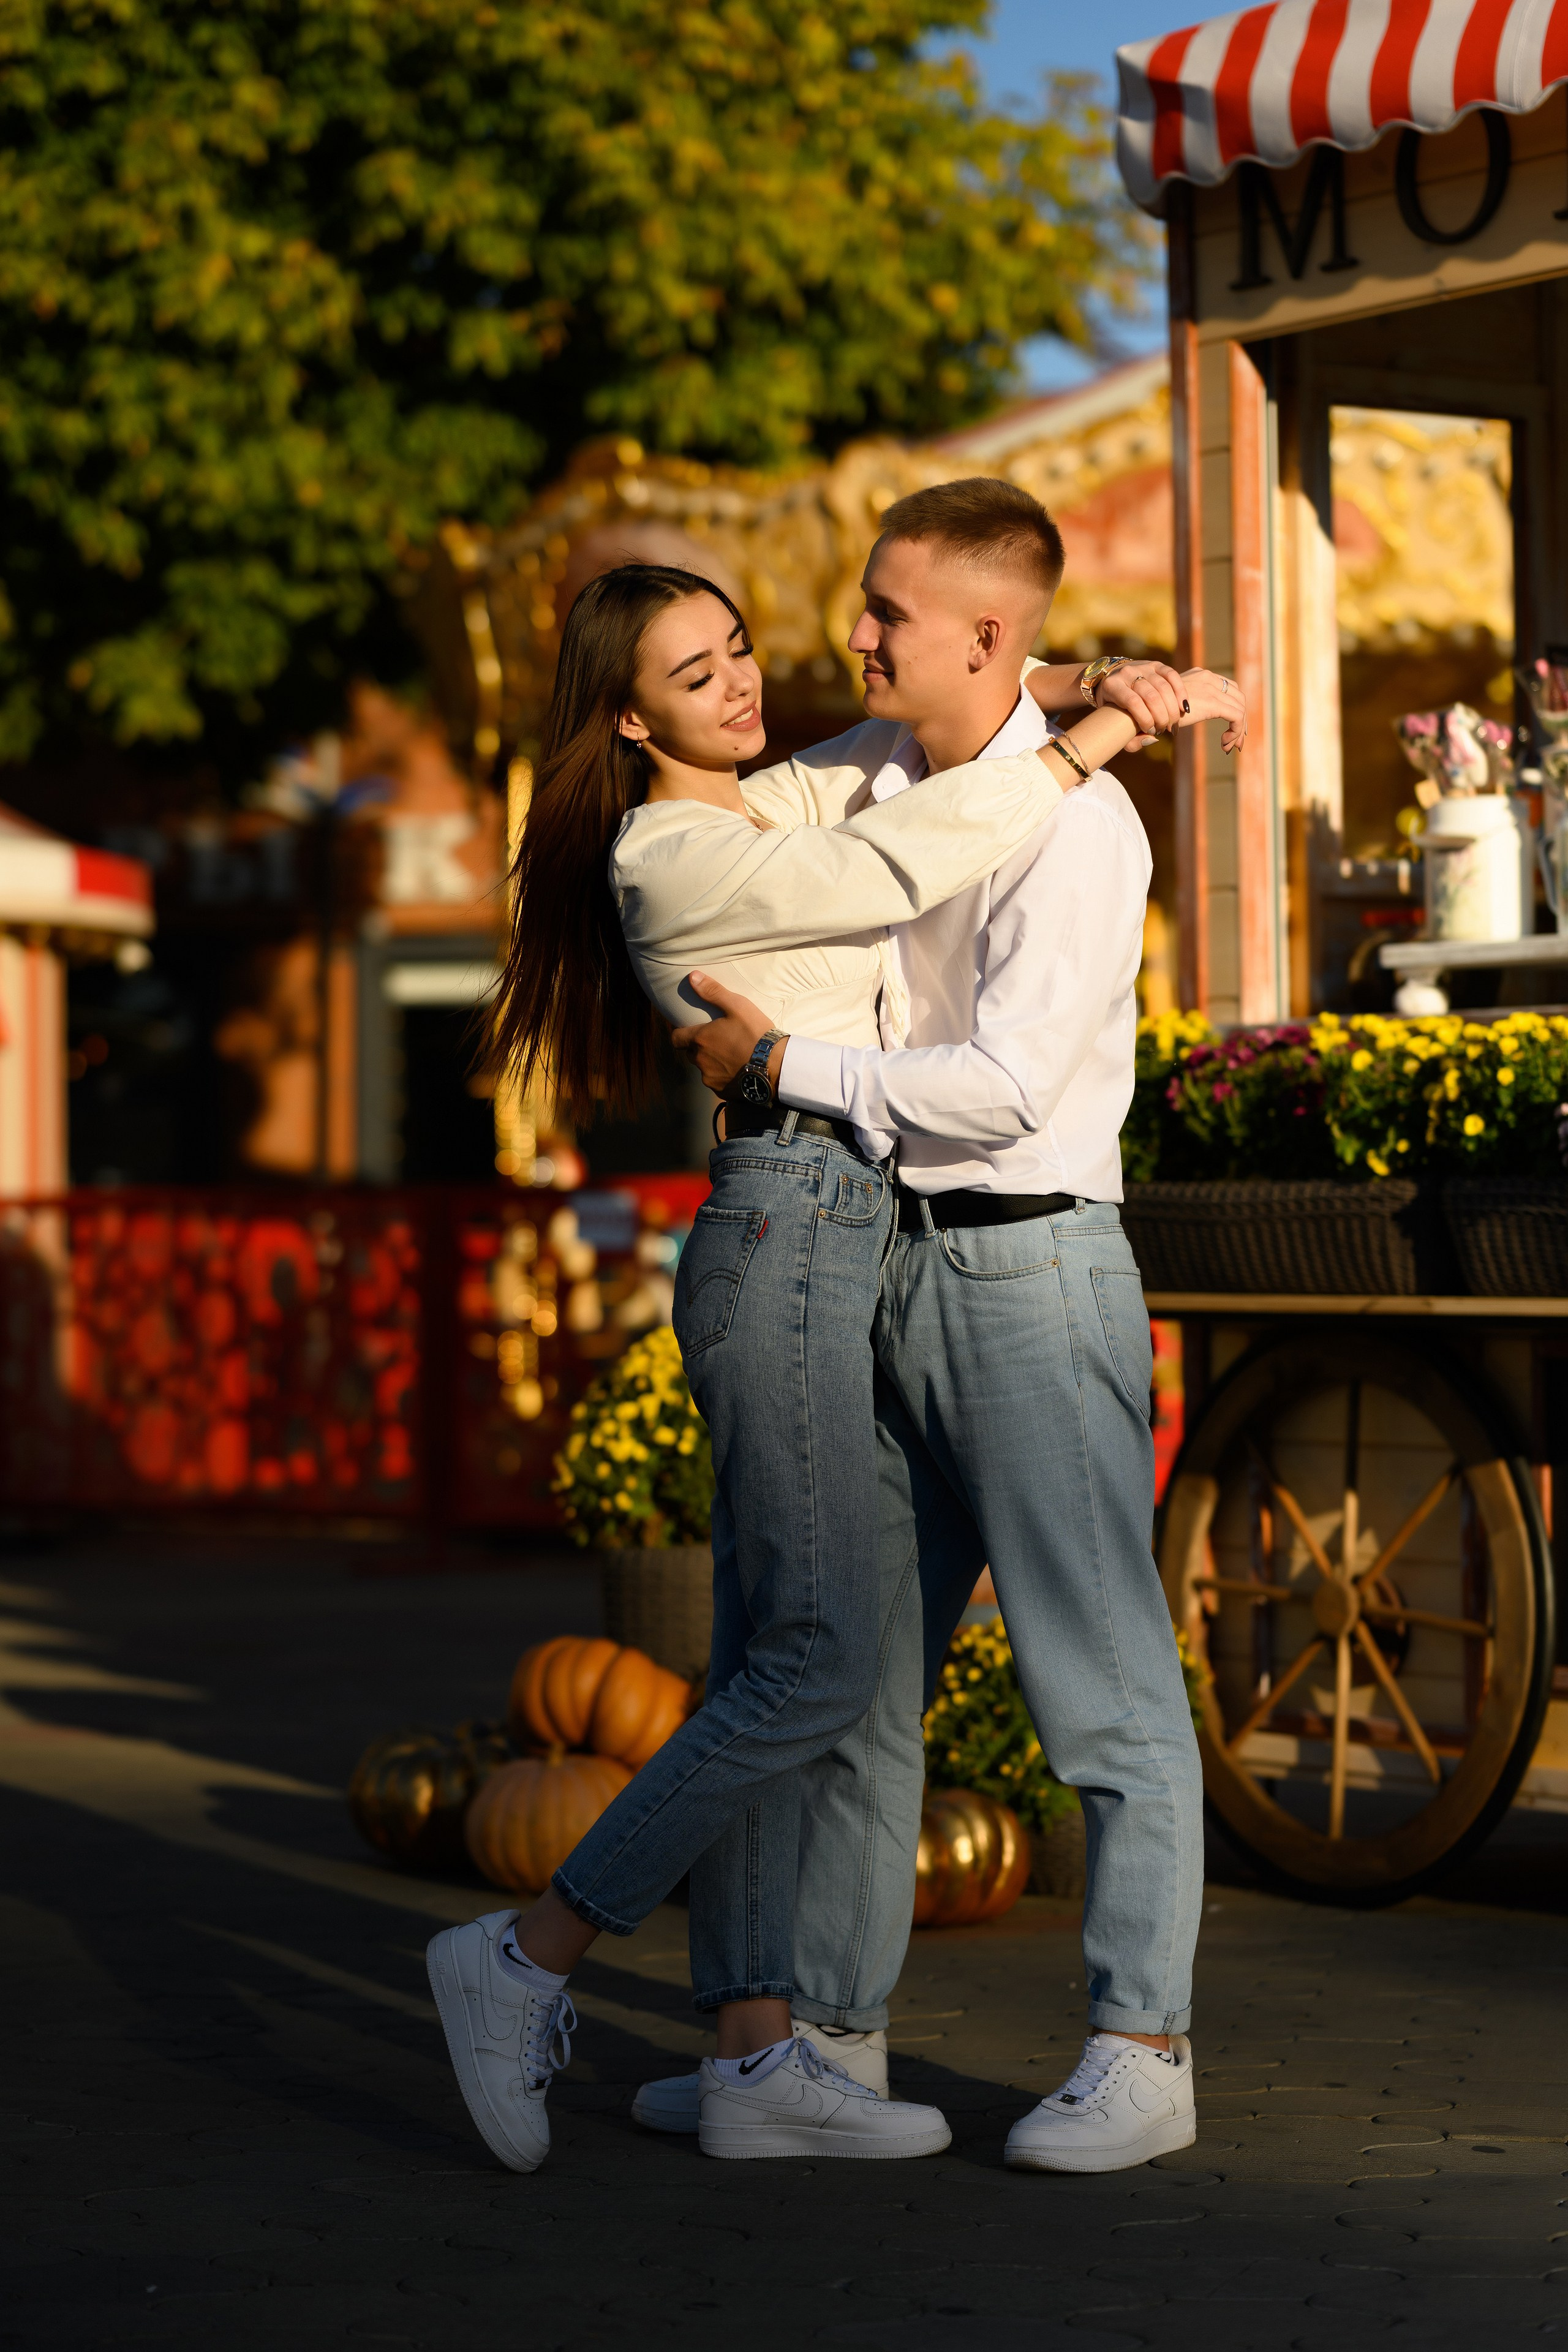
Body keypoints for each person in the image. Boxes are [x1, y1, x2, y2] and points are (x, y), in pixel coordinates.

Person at [426, 557, 1172, 2173]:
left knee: (780, 1642)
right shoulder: (669, 853)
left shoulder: (774, 792)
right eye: (697, 678)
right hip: (787, 1230)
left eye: (742, 650)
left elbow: (917, 738)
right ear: (631, 717)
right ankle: (527, 1954)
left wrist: (1107, 677)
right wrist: (1097, 737)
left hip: (851, 1234)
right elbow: (919, 841)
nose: (745, 685)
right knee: (825, 1661)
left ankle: (760, 2058)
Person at [653, 477, 1246, 2173]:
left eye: (887, 612)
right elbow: (765, 787)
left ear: (980, 631)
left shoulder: (1085, 829)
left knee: (1101, 1682)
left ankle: (1145, 2046)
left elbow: (999, 1090)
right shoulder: (876, 768)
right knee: (854, 1676)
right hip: (884, 1260)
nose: (854, 634)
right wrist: (1085, 684)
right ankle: (824, 2048)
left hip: (1035, 1265)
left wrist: (784, 1070)